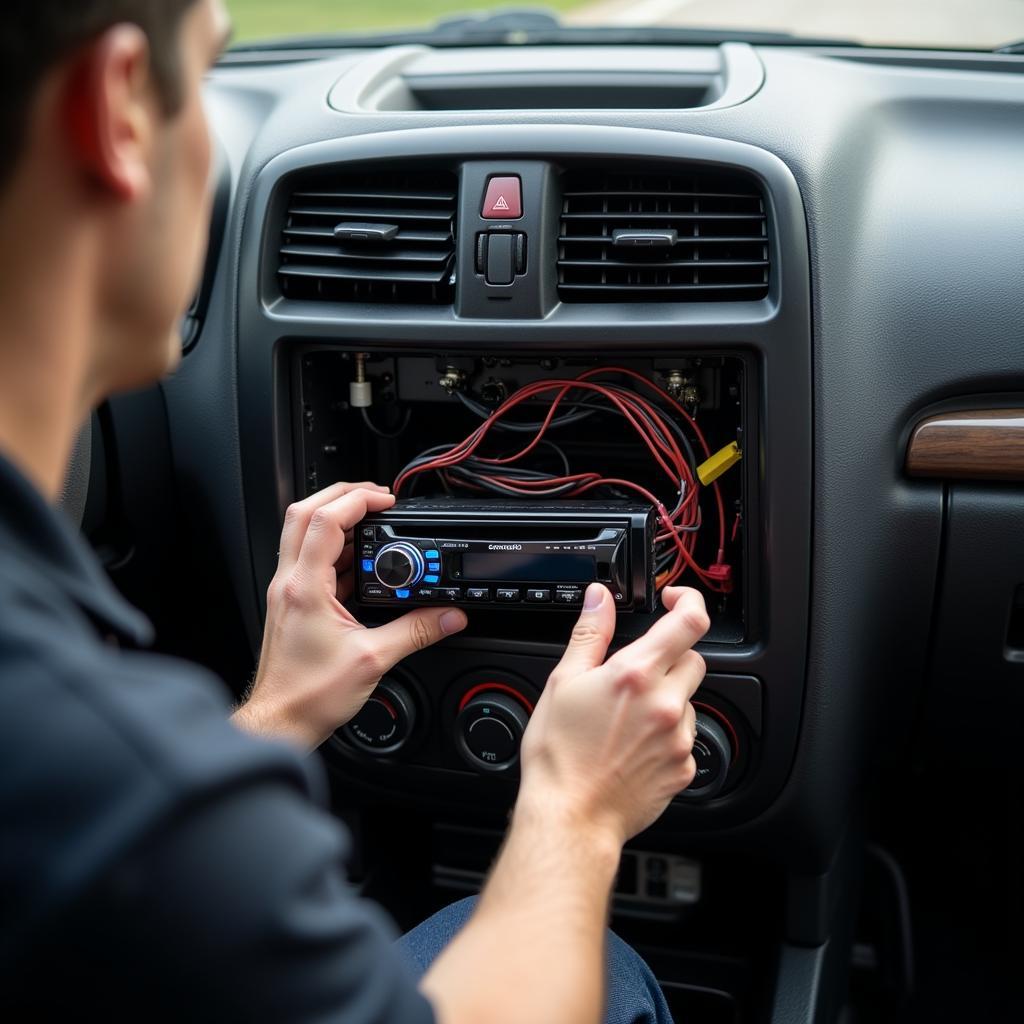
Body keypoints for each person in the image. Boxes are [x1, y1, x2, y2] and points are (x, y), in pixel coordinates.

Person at [0, 2, 710, 1020]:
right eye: (202, 79)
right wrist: (576, 809)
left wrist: (277, 715)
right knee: (606, 966)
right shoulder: (120, 780)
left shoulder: (92, 781)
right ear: (117, 111)